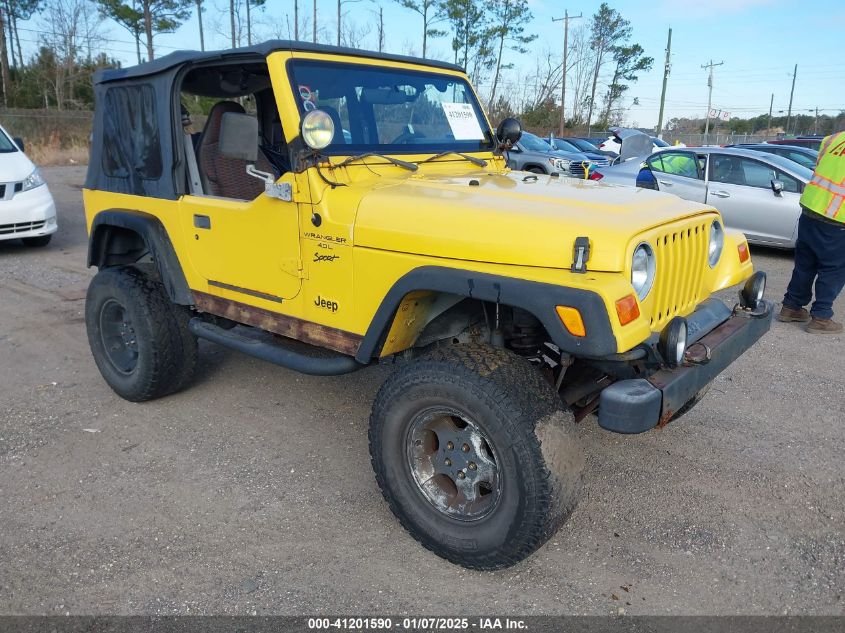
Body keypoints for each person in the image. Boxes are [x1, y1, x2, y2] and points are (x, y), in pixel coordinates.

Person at [778, 129, 845, 334]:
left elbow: (820, 169)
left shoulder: (834, 139)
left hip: (811, 208)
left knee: (805, 263)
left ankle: (791, 307)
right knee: (833, 269)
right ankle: (821, 318)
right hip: (837, 216)